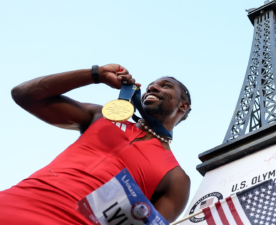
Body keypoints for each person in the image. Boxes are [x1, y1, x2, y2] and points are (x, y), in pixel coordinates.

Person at [0, 64, 191, 224]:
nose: (153, 88)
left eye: (165, 86)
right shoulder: (102, 116)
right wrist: (96, 74)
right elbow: (25, 95)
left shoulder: (176, 179)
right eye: (150, 86)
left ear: (183, 106)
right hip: (13, 205)